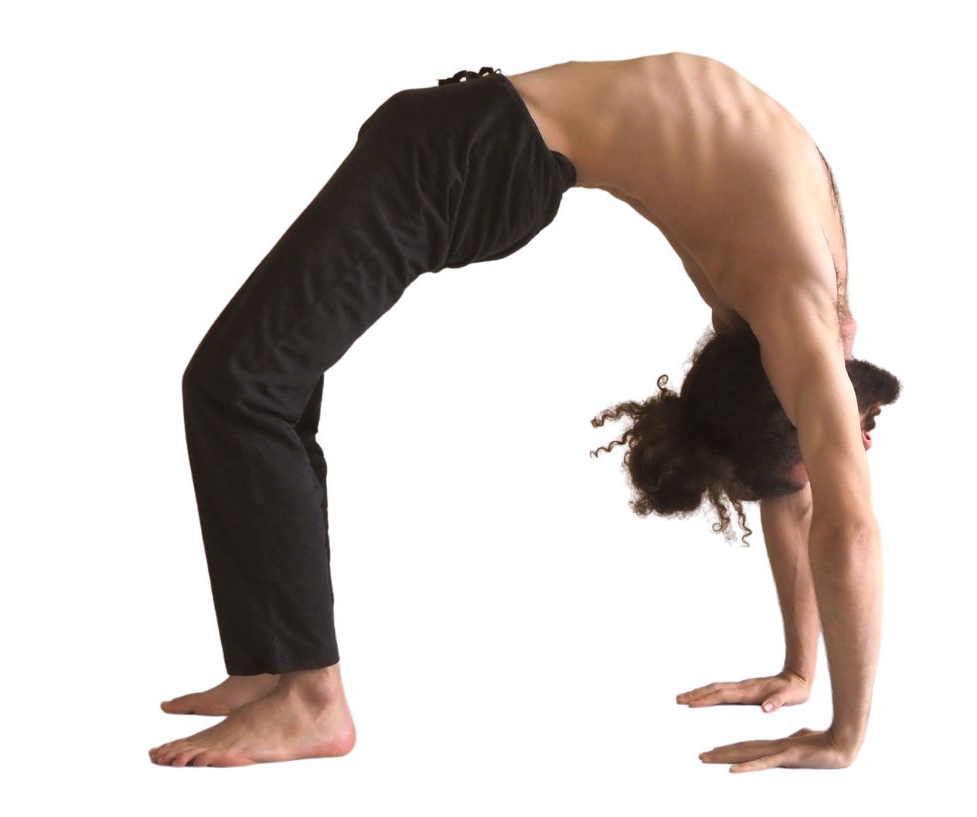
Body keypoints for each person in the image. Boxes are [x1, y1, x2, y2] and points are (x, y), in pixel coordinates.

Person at [150, 52, 902, 771]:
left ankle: (305, 692)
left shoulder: (794, 300)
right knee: (253, 383)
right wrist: (830, 712)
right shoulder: (793, 308)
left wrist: (817, 693)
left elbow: (819, 511)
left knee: (244, 383)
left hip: (467, 150)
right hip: (467, 147)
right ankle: (274, 672)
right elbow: (831, 512)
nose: (862, 443)